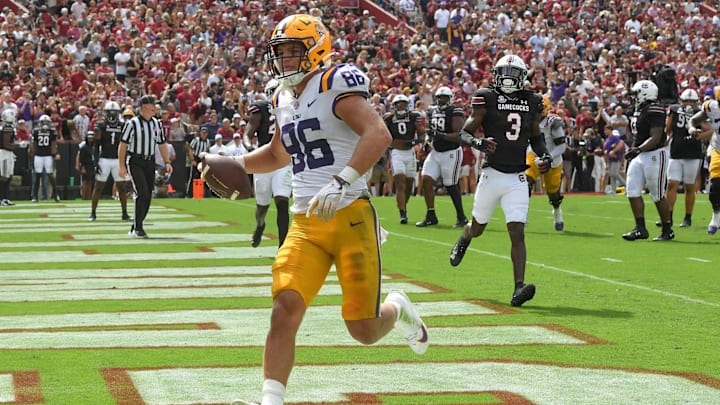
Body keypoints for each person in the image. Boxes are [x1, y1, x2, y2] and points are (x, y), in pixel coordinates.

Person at [221, 14, 428, 405]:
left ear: (316, 49)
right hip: (305, 222)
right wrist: (235, 163)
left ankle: (397, 308)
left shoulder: (336, 84)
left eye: (292, 51)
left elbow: (379, 133)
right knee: (284, 308)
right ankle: (271, 400)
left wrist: (343, 180)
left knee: (363, 330)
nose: (283, 59)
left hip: (350, 215)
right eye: (278, 52)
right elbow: (278, 154)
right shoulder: (282, 95)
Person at [448, 54, 550, 307]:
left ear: (523, 77)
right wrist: (478, 143)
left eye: (514, 73)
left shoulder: (532, 101)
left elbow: (535, 135)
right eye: (505, 72)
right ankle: (465, 237)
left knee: (517, 231)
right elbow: (465, 133)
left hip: (517, 175)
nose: (508, 78)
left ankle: (518, 288)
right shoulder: (486, 97)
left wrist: (544, 154)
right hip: (491, 174)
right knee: (478, 227)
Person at [621, 80, 674, 241]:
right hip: (640, 154)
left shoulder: (655, 109)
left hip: (654, 154)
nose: (633, 98)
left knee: (657, 194)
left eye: (636, 94)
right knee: (632, 190)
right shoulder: (639, 109)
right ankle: (640, 228)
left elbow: (656, 136)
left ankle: (667, 229)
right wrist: (635, 148)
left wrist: (638, 149)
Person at [243, 79, 291, 248]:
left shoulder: (292, 107)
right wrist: (249, 147)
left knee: (282, 201)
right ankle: (260, 225)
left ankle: (283, 245)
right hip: (263, 161)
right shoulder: (262, 109)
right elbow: (247, 133)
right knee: (262, 206)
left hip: (284, 160)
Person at [118, 95, 174, 238]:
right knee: (141, 192)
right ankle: (138, 228)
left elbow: (162, 143)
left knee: (148, 195)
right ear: (143, 108)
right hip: (135, 160)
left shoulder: (157, 123)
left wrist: (167, 161)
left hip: (150, 161)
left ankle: (136, 225)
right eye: (151, 108)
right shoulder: (132, 123)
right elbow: (123, 144)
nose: (154, 111)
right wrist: (121, 165)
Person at [416, 86, 468, 228]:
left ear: (450, 98)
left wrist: (442, 136)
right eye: (439, 97)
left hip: (451, 152)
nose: (441, 100)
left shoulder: (455, 111)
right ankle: (431, 215)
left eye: (444, 97)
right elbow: (429, 130)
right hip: (436, 152)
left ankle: (461, 217)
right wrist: (427, 142)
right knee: (426, 179)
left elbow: (458, 135)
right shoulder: (432, 111)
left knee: (450, 185)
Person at [658, 89, 703, 228]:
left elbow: (708, 129)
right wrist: (664, 139)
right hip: (676, 152)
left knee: (689, 187)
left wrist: (700, 135)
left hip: (693, 153)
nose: (689, 103)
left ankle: (687, 217)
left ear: (696, 102)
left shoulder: (701, 114)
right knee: (672, 184)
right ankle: (668, 217)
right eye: (686, 101)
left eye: (692, 101)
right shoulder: (675, 110)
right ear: (681, 101)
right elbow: (668, 128)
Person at [525, 97, 567, 231]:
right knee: (526, 182)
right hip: (534, 155)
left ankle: (557, 211)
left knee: (553, 192)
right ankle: (522, 214)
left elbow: (562, 146)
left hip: (553, 159)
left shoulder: (553, 122)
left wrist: (549, 157)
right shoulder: (528, 119)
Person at [383, 94, 426, 224]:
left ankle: (404, 207)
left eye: (403, 104)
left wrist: (415, 142)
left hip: (410, 153)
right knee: (400, 183)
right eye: (399, 104)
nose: (401, 107)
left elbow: (422, 133)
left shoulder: (414, 117)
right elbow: (384, 135)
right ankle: (403, 213)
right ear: (394, 106)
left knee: (408, 184)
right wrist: (394, 143)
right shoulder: (389, 118)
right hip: (397, 153)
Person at [89, 101, 132, 222]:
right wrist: (96, 162)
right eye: (110, 112)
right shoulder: (101, 125)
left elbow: (126, 145)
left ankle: (124, 213)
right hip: (104, 159)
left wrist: (124, 162)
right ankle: (93, 213)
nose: (112, 114)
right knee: (98, 187)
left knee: (121, 188)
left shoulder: (123, 125)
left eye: (114, 112)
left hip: (118, 159)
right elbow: (96, 145)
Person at [688, 97, 720, 234]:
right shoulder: (711, 107)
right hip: (719, 149)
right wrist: (691, 129)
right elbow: (693, 120)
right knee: (715, 188)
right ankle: (717, 216)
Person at [30, 115, 61, 203]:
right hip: (39, 155)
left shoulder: (52, 131)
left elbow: (53, 144)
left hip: (48, 155)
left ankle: (55, 194)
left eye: (46, 122)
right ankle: (35, 195)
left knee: (50, 175)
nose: (45, 124)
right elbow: (34, 144)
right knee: (37, 175)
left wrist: (54, 154)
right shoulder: (36, 131)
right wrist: (33, 154)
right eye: (43, 122)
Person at [0, 109, 16, 206]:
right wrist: (19, 145)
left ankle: (5, 198)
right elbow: (6, 144)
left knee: (8, 176)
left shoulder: (7, 128)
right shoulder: (7, 128)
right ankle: (2, 198)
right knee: (3, 177)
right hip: (4, 154)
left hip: (8, 153)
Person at [75, 130, 96, 200]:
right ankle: (84, 196)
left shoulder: (94, 147)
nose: (90, 139)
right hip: (86, 165)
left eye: (92, 138)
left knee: (90, 181)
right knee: (85, 181)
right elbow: (81, 157)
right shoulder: (84, 147)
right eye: (89, 138)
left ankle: (89, 196)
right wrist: (82, 167)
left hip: (92, 165)